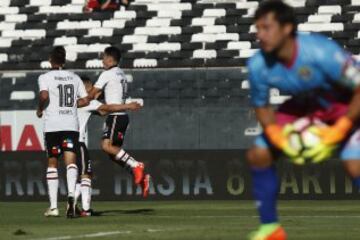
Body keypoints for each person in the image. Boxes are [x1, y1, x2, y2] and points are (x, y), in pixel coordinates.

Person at [246, 1, 360, 239]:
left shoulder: (322, 52)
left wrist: (340, 129)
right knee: (258, 154)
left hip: (346, 106)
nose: (260, 35)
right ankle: (271, 230)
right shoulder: (258, 65)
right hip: (306, 106)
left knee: (355, 165)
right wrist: (277, 136)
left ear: (287, 28)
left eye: (266, 28)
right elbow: (262, 106)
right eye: (257, 28)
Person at [74, 76, 145, 217]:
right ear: (86, 89)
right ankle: (81, 208)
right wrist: (127, 104)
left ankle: (76, 205)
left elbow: (102, 111)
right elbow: (106, 109)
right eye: (91, 88)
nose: (95, 91)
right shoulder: (87, 102)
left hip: (65, 141)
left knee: (79, 175)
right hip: (78, 142)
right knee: (85, 175)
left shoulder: (70, 102)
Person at [88, 46, 150, 196]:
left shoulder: (107, 74)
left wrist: (83, 100)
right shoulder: (121, 73)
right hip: (121, 117)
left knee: (106, 146)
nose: (102, 60)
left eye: (104, 57)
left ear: (110, 59)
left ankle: (136, 165)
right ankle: (143, 178)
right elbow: (105, 93)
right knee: (113, 154)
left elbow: (92, 94)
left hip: (116, 115)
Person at [37, 46, 89, 218]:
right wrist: (72, 106)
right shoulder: (74, 77)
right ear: (64, 60)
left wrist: (39, 109)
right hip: (70, 125)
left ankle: (53, 207)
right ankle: (72, 195)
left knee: (52, 163)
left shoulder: (44, 77)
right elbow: (86, 99)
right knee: (71, 162)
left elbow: (44, 96)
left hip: (52, 126)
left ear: (50, 60)